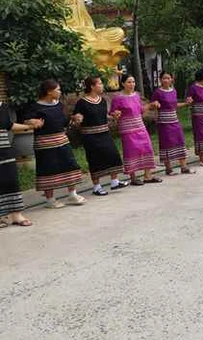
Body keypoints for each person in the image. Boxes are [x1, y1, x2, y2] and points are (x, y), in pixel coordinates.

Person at [24, 79, 86, 207]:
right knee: (48, 168)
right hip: (44, 143)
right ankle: (50, 200)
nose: (60, 92)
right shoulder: (35, 107)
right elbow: (26, 121)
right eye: (57, 89)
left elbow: (63, 122)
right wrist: (32, 122)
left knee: (70, 164)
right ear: (49, 91)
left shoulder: (58, 105)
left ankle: (72, 195)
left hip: (62, 140)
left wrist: (74, 119)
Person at [72, 76, 126, 195]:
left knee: (113, 154)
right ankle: (96, 186)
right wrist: (77, 119)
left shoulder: (102, 100)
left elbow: (104, 116)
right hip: (90, 136)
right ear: (92, 86)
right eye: (100, 83)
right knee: (94, 160)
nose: (102, 86)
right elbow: (75, 118)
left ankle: (114, 182)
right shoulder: (82, 102)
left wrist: (113, 116)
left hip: (104, 133)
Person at [111, 74, 162, 185]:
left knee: (147, 148)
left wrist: (151, 105)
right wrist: (116, 114)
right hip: (127, 129)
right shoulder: (117, 98)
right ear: (123, 83)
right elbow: (112, 113)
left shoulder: (136, 95)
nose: (132, 84)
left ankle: (148, 176)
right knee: (131, 151)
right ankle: (133, 177)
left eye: (133, 82)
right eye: (129, 82)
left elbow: (140, 110)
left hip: (140, 126)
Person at [151, 72, 193, 176]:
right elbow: (152, 105)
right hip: (164, 122)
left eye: (168, 78)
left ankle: (184, 167)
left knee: (180, 141)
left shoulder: (173, 91)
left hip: (174, 120)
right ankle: (168, 168)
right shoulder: (157, 92)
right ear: (160, 80)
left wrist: (186, 103)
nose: (166, 80)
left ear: (171, 80)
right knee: (166, 143)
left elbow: (174, 105)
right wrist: (155, 105)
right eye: (164, 78)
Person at [0, 101, 33, 227]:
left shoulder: (2, 106)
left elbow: (8, 125)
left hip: (4, 147)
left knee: (11, 179)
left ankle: (16, 215)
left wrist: (30, 127)